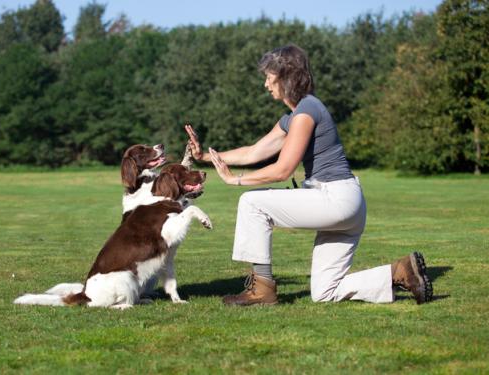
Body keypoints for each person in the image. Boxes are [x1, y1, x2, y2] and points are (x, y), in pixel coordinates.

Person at [184, 44, 433, 306]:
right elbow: (254, 152)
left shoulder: (306, 111)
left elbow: (283, 170)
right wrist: (205, 158)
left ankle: (262, 289)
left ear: (286, 77)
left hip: (336, 200)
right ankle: (400, 271)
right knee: (324, 292)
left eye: (270, 77)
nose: (266, 84)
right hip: (346, 204)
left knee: (251, 202)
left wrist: (235, 180)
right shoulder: (294, 116)